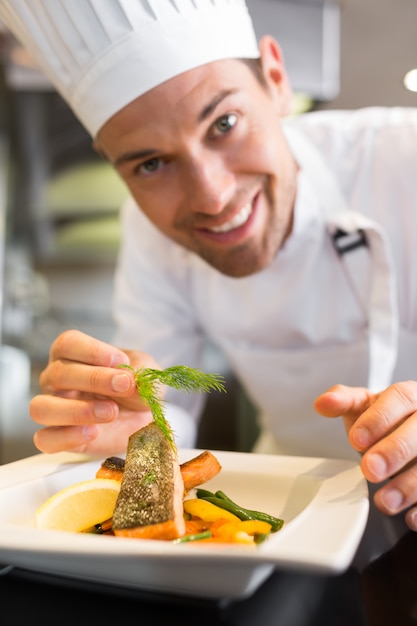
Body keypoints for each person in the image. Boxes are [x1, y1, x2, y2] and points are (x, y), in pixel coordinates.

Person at [0, 0, 416, 533]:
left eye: (224, 123)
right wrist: (125, 424)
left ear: (276, 79)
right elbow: (169, 406)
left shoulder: (406, 157)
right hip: (289, 520)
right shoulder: (149, 232)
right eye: (151, 164)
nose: (213, 197)